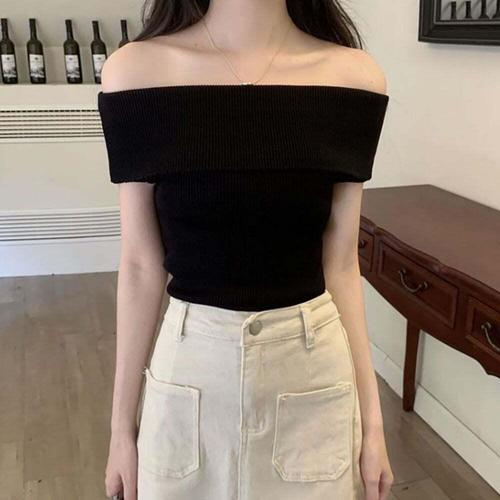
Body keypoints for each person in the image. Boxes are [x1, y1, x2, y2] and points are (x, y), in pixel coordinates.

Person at [98, 1, 393, 499]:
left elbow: (342, 264)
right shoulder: (137, 73)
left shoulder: (353, 79)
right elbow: (140, 265)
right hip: (190, 371)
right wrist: (120, 431)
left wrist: (374, 427)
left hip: (312, 373)